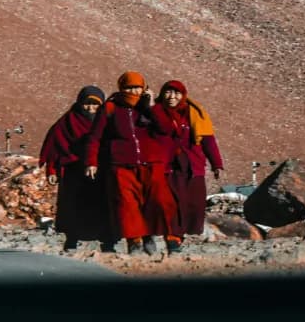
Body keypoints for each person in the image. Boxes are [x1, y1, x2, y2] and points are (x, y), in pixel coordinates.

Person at [83, 71, 179, 256]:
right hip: (121, 164)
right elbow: (95, 137)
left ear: (144, 88)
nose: (133, 92)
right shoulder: (111, 107)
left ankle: (150, 234)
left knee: (157, 201)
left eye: (137, 87)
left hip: (151, 164)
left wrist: (151, 107)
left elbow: (166, 129)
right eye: (129, 88)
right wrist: (91, 162)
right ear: (121, 88)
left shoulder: (151, 108)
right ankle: (134, 240)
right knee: (127, 204)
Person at [38, 86, 117, 252]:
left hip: (101, 171)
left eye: (95, 104)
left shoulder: (107, 121)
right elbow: (55, 147)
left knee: (103, 207)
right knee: (73, 208)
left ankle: (108, 243)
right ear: (79, 103)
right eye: (87, 104)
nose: (90, 108)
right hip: (74, 172)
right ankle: (71, 240)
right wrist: (51, 170)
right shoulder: (67, 122)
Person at [157, 80, 224, 250]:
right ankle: (173, 237)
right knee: (170, 203)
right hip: (167, 166)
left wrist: (216, 164)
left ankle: (184, 233)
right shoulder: (155, 112)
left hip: (192, 165)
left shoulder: (195, 114)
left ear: (183, 95)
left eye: (176, 93)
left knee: (194, 203)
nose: (172, 97)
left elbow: (208, 141)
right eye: (168, 92)